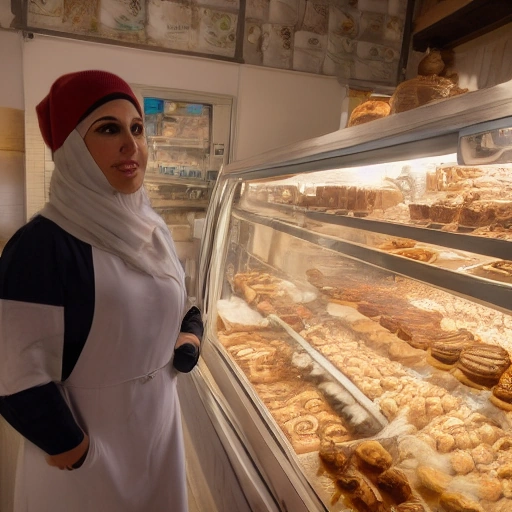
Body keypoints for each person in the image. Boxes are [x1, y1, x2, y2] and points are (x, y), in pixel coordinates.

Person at [0, 70, 203, 511]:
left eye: (137, 129)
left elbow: (179, 302)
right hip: (91, 448)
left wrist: (189, 334)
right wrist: (73, 449)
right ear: (72, 148)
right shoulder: (42, 245)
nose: (132, 146)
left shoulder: (152, 228)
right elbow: (13, 370)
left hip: (159, 428)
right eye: (109, 129)